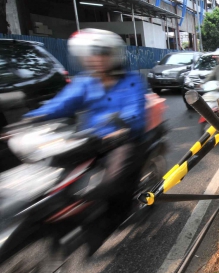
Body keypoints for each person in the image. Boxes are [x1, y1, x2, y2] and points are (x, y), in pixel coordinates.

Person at [24, 28, 146, 255]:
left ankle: (111, 219)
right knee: (52, 171)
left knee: (111, 182)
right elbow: (61, 104)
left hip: (123, 141)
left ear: (113, 55)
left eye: (101, 53)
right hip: (91, 139)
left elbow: (135, 112)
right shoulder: (85, 82)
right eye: (92, 54)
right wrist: (31, 119)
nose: (96, 59)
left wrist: (121, 130)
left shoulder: (132, 81)